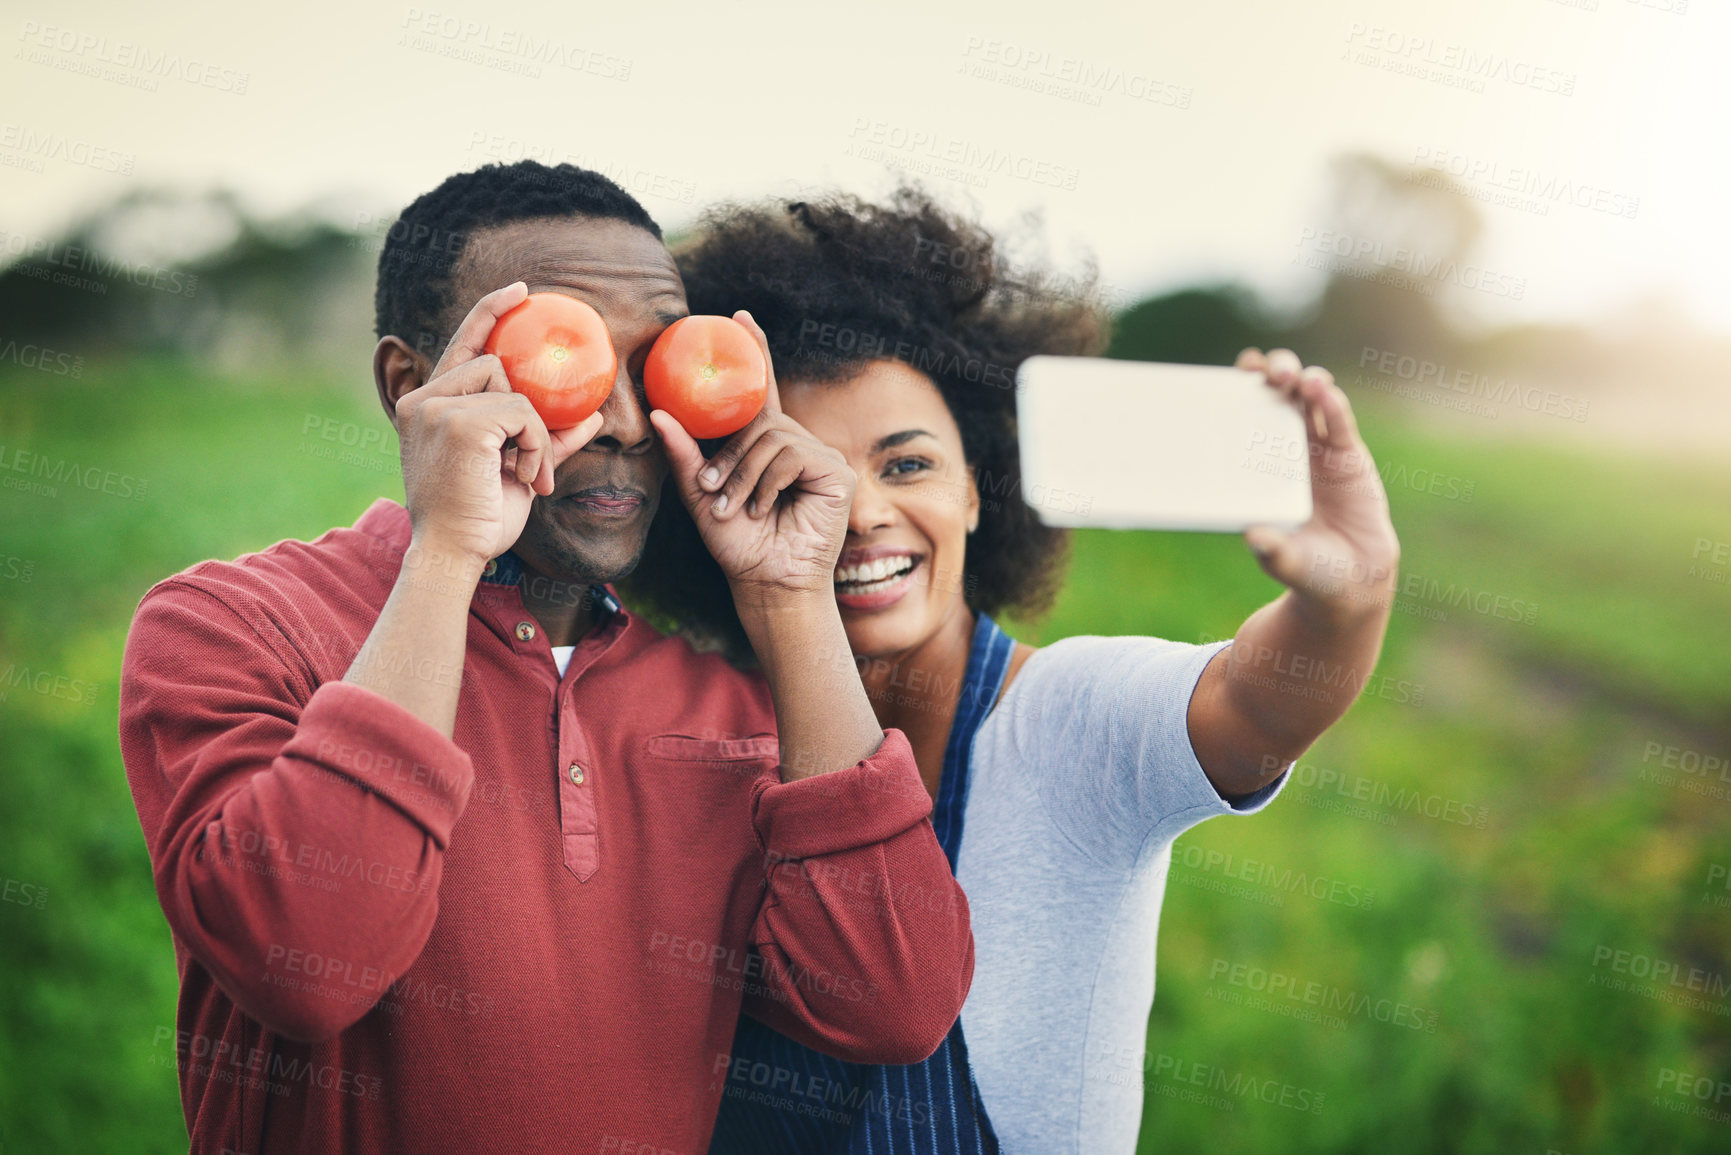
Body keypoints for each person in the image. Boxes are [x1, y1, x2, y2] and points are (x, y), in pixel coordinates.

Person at [116, 163, 974, 1155]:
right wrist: (447, 550)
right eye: (558, 360)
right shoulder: (232, 624)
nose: (616, 424)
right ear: (410, 386)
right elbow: (307, 962)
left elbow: (894, 1007)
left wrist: (790, 598)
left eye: (656, 364)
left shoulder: (731, 703)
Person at [623, 189, 1401, 1154]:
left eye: (906, 465)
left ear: (980, 492)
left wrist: (1347, 601)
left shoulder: (1068, 720)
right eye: (801, 472)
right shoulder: (697, 725)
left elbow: (1258, 706)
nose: (859, 513)